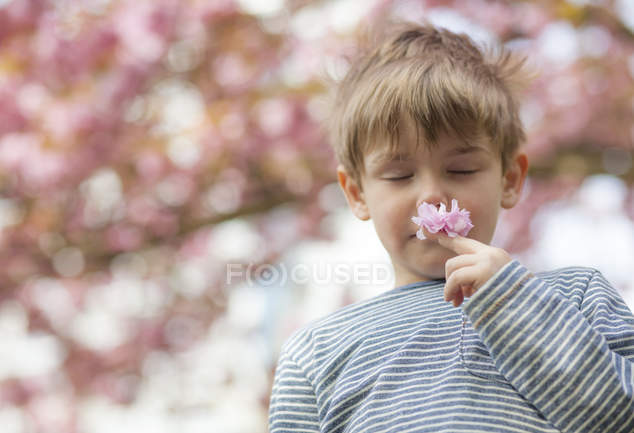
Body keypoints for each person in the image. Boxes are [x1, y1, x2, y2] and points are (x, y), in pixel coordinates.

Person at [268, 22, 634, 433]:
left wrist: (517, 306)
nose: (431, 196)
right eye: (398, 176)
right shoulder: (315, 352)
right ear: (356, 194)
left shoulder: (576, 297)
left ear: (510, 179)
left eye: (461, 169)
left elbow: (621, 418)